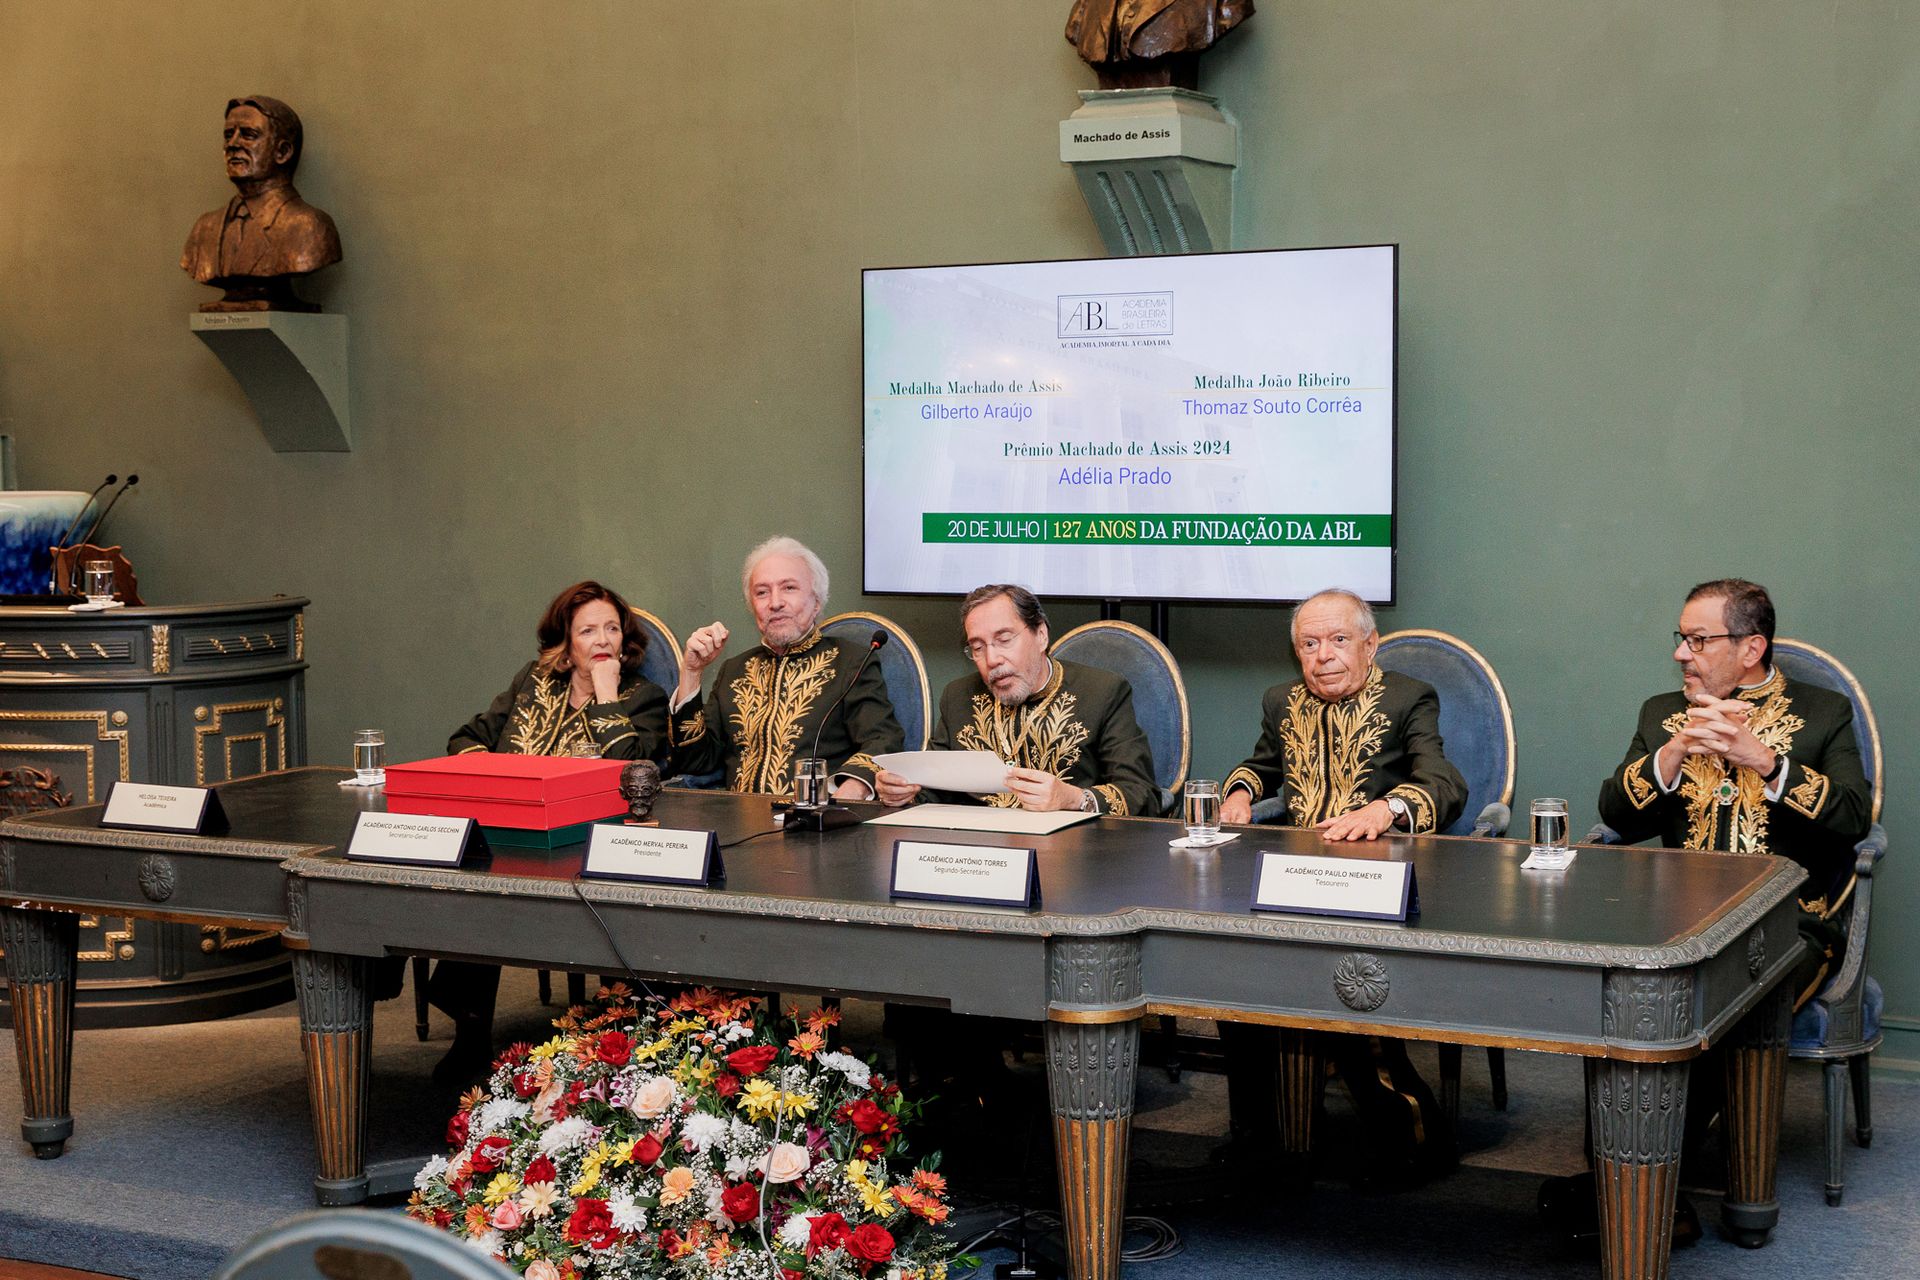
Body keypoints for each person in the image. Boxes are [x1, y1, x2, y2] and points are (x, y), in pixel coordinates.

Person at [1544, 578, 1874, 1244]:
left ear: (1751, 647)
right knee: (1629, 996)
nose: (1681, 656)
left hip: (1793, 925)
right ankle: (1636, 1187)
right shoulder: (1662, 712)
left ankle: (1644, 1190)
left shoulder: (1823, 711)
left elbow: (1852, 818)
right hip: (1677, 923)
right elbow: (1616, 816)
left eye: (1698, 641)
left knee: (1725, 998)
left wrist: (1766, 763)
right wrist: (1670, 755)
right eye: (1681, 639)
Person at [1215, 587, 1466, 1178]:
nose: (1323, 655)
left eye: (1338, 640)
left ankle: (1414, 1141)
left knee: (1351, 997)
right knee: (1230, 980)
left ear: (1370, 645)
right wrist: (1241, 791)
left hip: (1373, 885)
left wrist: (1387, 810)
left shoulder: (1408, 698)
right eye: (1309, 643)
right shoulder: (1281, 700)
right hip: (1292, 879)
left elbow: (1444, 783)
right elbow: (1262, 763)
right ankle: (1259, 1136)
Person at [432, 580, 670, 1085]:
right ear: (567, 642)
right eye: (588, 630)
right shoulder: (533, 682)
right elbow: (467, 737)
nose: (602, 639)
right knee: (476, 873)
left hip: (593, 841)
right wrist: (494, 778)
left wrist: (607, 695)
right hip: (516, 833)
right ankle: (471, 1033)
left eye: (612, 628)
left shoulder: (644, 697)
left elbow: (635, 771)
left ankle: (616, 1032)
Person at [873, 584, 1162, 816]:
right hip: (977, 858)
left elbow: (1141, 794)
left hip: (1072, 860)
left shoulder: (1103, 692)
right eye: (977, 647)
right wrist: (902, 791)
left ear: (1041, 635)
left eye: (1004, 639)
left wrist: (1073, 798)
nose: (992, 659)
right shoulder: (958, 696)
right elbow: (934, 789)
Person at [669, 536, 903, 797]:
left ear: (816, 601)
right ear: (752, 607)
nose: (775, 602)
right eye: (762, 592)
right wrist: (691, 672)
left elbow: (883, 740)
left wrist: (851, 788)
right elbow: (695, 761)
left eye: (789, 588)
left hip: (814, 824)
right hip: (735, 825)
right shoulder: (733, 670)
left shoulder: (851, 662)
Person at [181, 95, 342, 309]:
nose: (232, 144)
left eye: (248, 135)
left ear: (282, 152)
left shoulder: (309, 226)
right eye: (228, 135)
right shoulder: (204, 229)